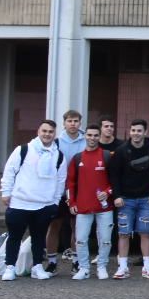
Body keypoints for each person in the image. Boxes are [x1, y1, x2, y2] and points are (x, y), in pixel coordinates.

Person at [0, 120, 66, 281]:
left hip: (44, 204)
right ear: (38, 131)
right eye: (44, 131)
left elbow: (60, 180)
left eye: (50, 132)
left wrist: (55, 202)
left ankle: (37, 267)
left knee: (39, 237)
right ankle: (10, 267)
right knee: (15, 236)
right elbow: (9, 171)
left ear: (54, 134)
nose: (47, 134)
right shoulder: (23, 150)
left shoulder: (58, 155)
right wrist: (5, 193)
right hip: (20, 202)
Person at [109, 120, 149, 279]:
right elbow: (114, 175)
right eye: (133, 130)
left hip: (147, 200)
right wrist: (117, 196)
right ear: (130, 131)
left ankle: (147, 267)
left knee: (146, 233)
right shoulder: (121, 151)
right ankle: (123, 268)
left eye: (139, 130)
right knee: (123, 234)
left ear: (145, 132)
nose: (136, 133)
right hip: (125, 200)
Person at [65, 124, 114, 281]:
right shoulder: (77, 158)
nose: (92, 138)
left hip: (105, 208)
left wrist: (108, 192)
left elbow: (116, 181)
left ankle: (101, 266)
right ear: (85, 136)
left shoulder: (107, 156)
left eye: (95, 135)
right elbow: (70, 183)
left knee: (105, 239)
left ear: (99, 137)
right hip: (83, 207)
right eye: (89, 135)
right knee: (80, 239)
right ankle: (84, 268)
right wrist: (72, 202)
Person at [48, 109, 85, 274]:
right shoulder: (56, 142)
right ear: (64, 123)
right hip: (59, 192)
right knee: (54, 225)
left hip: (79, 191)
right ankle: (51, 262)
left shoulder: (87, 140)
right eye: (70, 121)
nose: (73, 124)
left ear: (80, 123)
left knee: (76, 227)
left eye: (76, 121)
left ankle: (76, 262)